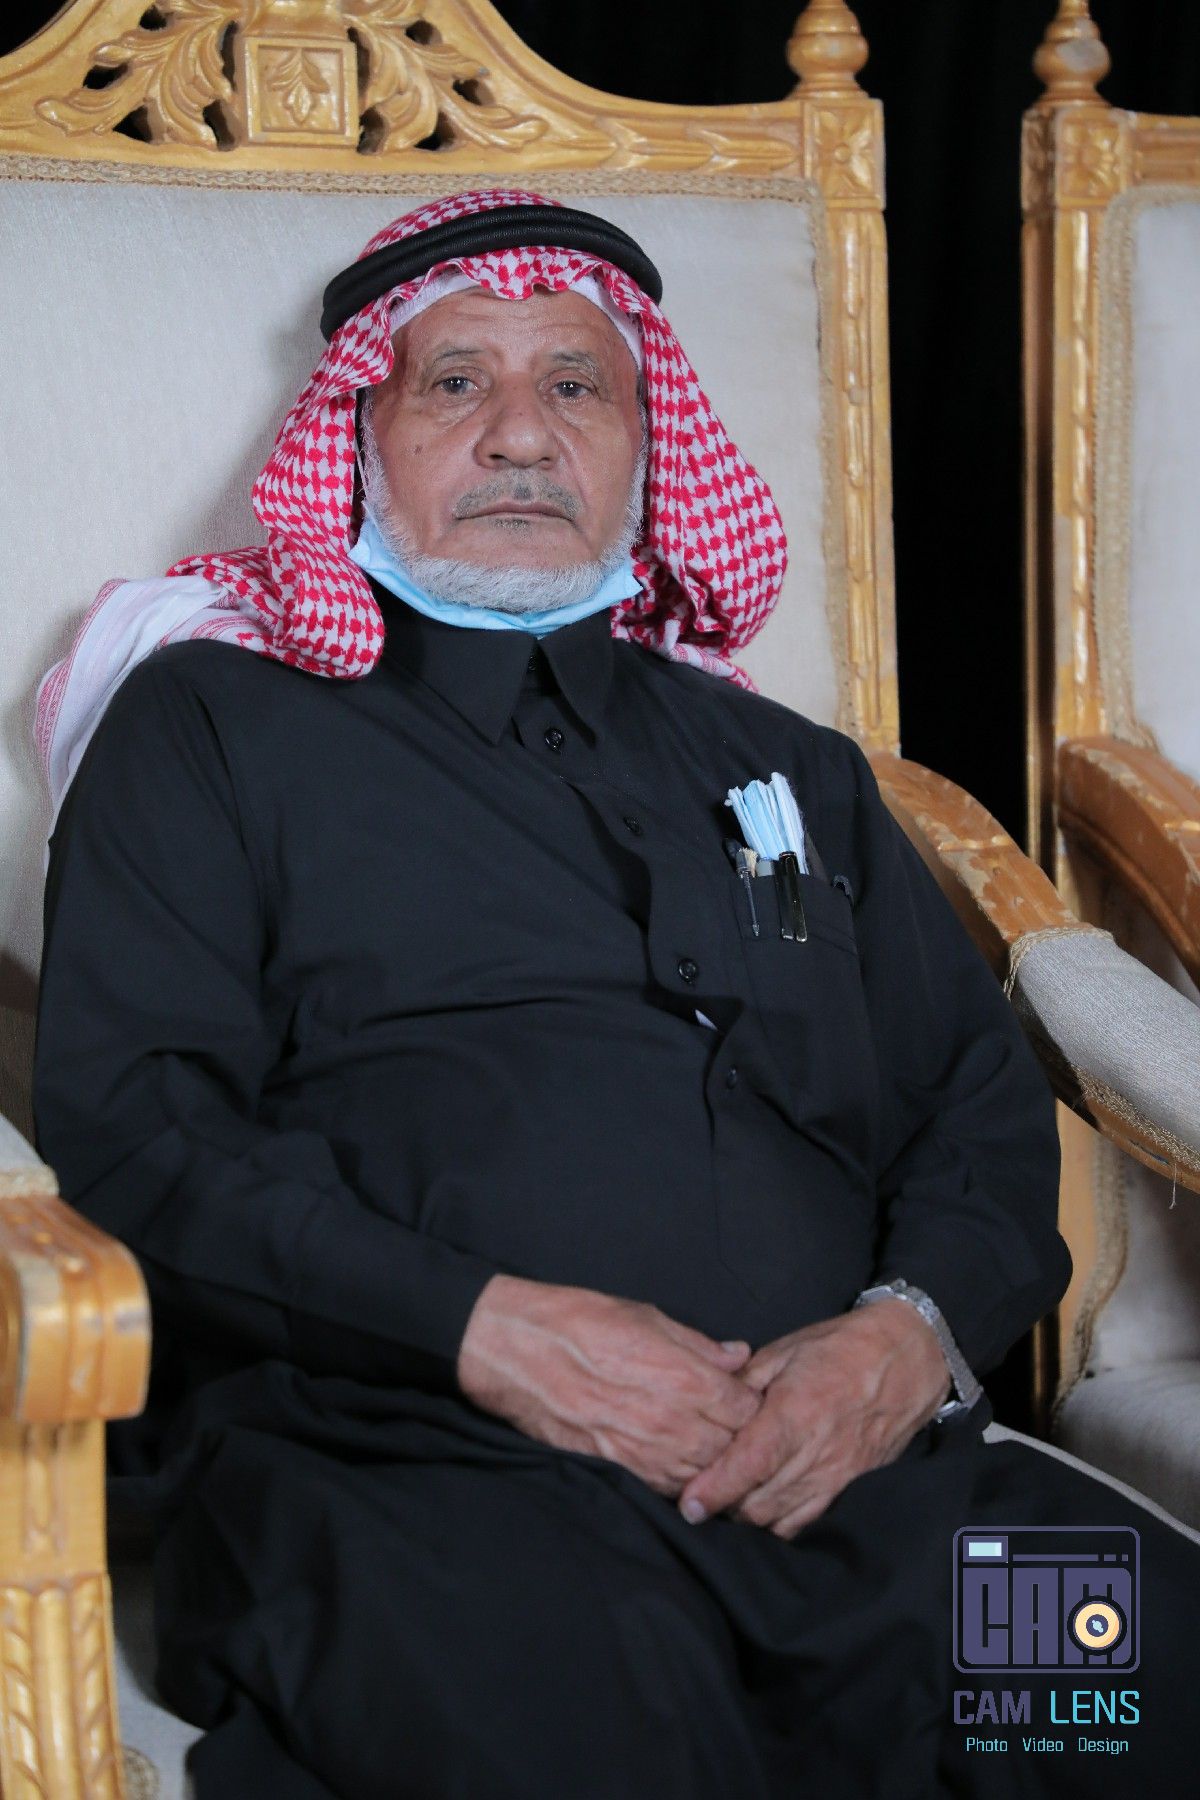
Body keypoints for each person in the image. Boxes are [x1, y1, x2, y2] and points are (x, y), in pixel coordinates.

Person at [31, 190, 1200, 1798]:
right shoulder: (216, 729)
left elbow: (978, 1112)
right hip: (424, 1478)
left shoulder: (787, 769)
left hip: (864, 1486)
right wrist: (481, 1329)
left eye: (575, 384)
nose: (522, 434)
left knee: (1147, 1698)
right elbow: (143, 1132)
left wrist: (906, 1339)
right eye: (457, 382)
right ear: (360, 438)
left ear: (646, 443)